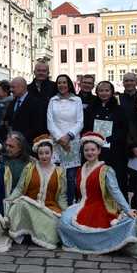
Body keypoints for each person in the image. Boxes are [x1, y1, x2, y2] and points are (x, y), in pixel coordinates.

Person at [58, 132, 137, 254]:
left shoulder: (106, 171)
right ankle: (84, 243)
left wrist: (127, 209)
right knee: (64, 221)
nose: (89, 153)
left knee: (120, 223)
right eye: (86, 150)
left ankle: (101, 244)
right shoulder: (80, 170)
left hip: (100, 206)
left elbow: (115, 191)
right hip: (82, 205)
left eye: (93, 150)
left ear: (99, 150)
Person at [6, 134, 67, 249]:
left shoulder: (60, 172)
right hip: (30, 206)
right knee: (20, 204)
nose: (44, 156)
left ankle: (35, 235)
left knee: (54, 228)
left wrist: (65, 212)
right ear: (37, 154)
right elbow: (19, 188)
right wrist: (9, 200)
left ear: (52, 153)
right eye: (41, 153)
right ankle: (27, 234)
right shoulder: (29, 168)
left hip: (49, 209)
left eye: (47, 153)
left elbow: (62, 196)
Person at [83, 80, 129, 197]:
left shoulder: (119, 109)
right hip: (96, 150)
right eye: (101, 91)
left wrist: (112, 138)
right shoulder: (91, 108)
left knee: (115, 178)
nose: (104, 93)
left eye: (107, 90)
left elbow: (123, 129)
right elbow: (87, 126)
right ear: (97, 92)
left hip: (114, 150)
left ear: (112, 92)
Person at [47, 74, 83, 205]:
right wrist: (60, 138)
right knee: (56, 175)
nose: (62, 85)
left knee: (71, 177)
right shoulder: (53, 100)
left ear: (69, 84)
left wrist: (68, 136)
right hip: (56, 143)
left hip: (72, 142)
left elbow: (80, 122)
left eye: (64, 82)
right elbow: (50, 122)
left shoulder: (77, 100)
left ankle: (70, 204)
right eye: (59, 83)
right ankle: (55, 203)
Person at [3, 77, 46, 147]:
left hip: (28, 144)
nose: (11, 90)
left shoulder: (36, 103)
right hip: (13, 145)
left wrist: (21, 139)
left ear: (22, 87)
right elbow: (8, 121)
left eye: (13, 87)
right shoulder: (12, 103)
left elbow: (37, 126)